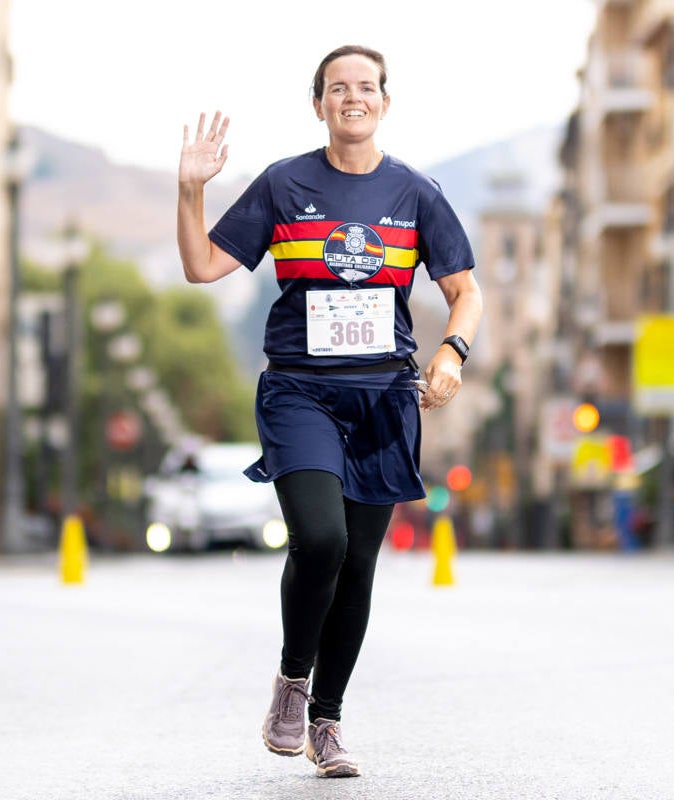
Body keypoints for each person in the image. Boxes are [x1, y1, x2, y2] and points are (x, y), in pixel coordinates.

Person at [177, 45, 482, 778]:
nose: (353, 97)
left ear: (384, 101)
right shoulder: (284, 185)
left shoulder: (416, 192)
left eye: (366, 86)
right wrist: (190, 191)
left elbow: (464, 289)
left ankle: (328, 721)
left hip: (382, 398)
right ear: (318, 103)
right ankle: (291, 679)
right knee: (320, 540)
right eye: (337, 87)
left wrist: (452, 354)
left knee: (359, 567)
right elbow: (201, 266)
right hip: (301, 391)